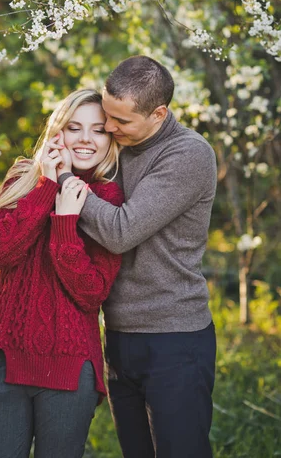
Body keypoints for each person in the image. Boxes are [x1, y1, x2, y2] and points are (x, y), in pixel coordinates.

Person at [57, 56, 218, 458]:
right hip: (119, 335)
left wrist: (65, 181)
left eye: (121, 121)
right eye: (107, 116)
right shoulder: (120, 145)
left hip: (174, 339)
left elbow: (120, 231)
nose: (109, 128)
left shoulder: (188, 155)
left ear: (159, 114)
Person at [0, 89, 124, 458]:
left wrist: (67, 223)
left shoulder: (108, 197)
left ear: (110, 139)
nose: (86, 138)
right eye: (74, 127)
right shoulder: (24, 177)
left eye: (98, 130)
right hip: (2, 358)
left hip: (70, 368)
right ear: (58, 133)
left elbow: (91, 292)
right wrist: (46, 186)